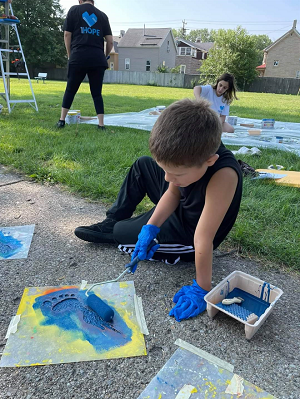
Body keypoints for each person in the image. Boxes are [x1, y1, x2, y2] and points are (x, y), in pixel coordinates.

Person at [75, 98, 243, 322]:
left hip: (190, 233)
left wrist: (203, 287)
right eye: (165, 170)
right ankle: (113, 220)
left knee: (122, 233)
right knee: (143, 165)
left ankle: (114, 231)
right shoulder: (192, 157)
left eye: (175, 174)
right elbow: (172, 192)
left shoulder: (224, 175)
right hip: (185, 206)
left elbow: (203, 238)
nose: (166, 178)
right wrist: (150, 228)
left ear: (210, 161)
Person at [57, 0, 113, 129]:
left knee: (70, 89)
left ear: (80, 1)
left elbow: (67, 34)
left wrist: (70, 55)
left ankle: (61, 121)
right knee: (97, 93)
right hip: (97, 58)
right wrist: (104, 56)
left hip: (78, 56)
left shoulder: (74, 10)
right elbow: (110, 41)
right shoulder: (103, 16)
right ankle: (101, 124)